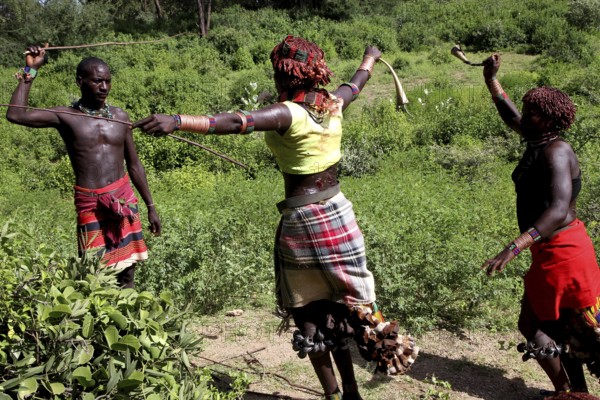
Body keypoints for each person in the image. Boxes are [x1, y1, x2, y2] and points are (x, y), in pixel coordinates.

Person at [134, 35, 418, 400]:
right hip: (338, 216)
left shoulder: (287, 113)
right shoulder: (333, 103)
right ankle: (351, 393)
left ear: (285, 75)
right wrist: (370, 58)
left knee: (308, 313)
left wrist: (178, 119)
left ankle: (333, 394)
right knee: (346, 307)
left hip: (302, 223)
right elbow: (355, 84)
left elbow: (238, 122)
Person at [481, 54, 600, 396]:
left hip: (564, 252)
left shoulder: (557, 151)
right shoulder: (539, 140)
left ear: (548, 120)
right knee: (555, 327)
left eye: (532, 111)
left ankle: (568, 391)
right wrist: (491, 79)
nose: (525, 114)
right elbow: (511, 116)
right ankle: (574, 392)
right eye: (527, 108)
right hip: (554, 251)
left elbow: (560, 209)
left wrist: (516, 245)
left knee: (533, 324)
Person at [6, 46, 161, 288]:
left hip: (123, 199)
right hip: (91, 203)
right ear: (80, 81)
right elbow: (16, 114)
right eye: (97, 81)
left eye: (108, 81)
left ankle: (129, 324)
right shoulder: (66, 116)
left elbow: (134, 164)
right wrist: (31, 69)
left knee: (128, 270)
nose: (104, 87)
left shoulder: (120, 116)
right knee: (94, 271)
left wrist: (151, 207)